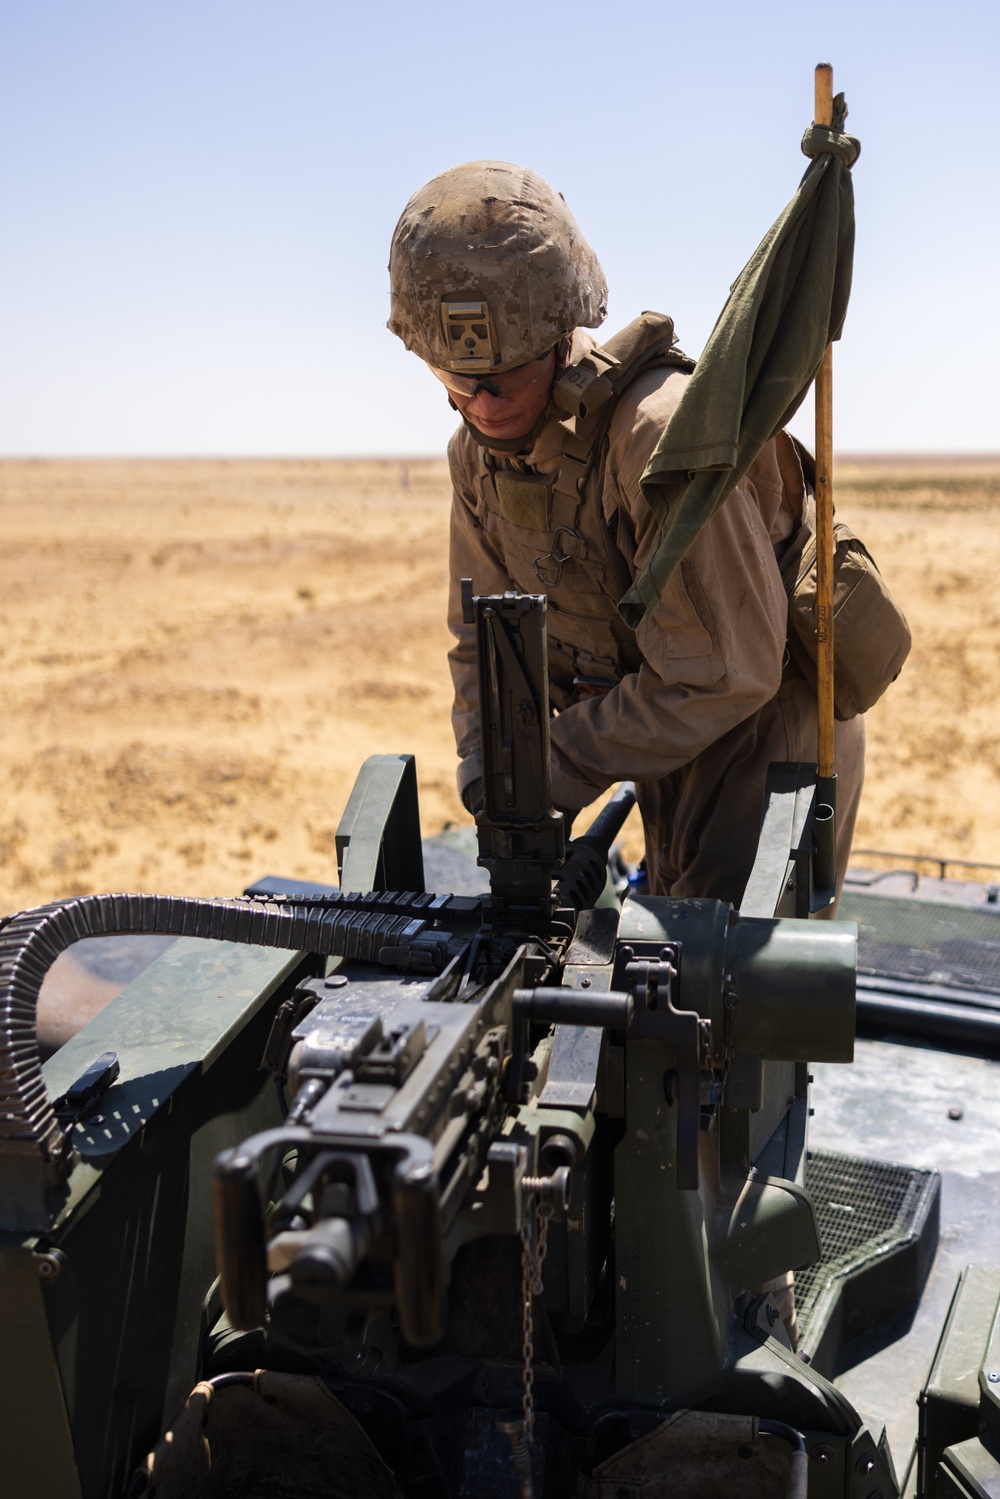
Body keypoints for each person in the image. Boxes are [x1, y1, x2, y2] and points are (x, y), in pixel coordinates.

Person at [387, 160, 865, 907]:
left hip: (761, 746)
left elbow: (725, 671)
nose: (482, 403)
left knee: (720, 992)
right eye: (453, 379)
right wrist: (493, 768)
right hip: (656, 736)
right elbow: (482, 638)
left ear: (559, 335)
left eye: (504, 374)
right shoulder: (477, 460)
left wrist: (552, 762)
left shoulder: (654, 435)